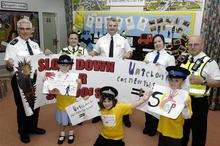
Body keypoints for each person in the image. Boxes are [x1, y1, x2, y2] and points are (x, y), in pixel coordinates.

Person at [4, 18, 46, 143]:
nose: (25, 31)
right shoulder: (13, 45)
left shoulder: (35, 44)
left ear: (31, 30)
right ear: (18, 30)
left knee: (35, 104)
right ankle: (23, 131)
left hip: (35, 79)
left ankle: (33, 127)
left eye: (27, 29)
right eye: (22, 29)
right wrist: (9, 64)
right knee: (22, 106)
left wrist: (46, 55)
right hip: (20, 80)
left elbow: (40, 61)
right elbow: (8, 64)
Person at [90, 18, 133, 127]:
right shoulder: (101, 40)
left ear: (117, 27)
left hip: (119, 72)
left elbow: (130, 52)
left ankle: (125, 116)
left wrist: (127, 55)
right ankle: (98, 114)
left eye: (114, 25)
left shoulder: (123, 40)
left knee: (121, 93)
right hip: (104, 71)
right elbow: (96, 51)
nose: (112, 27)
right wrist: (92, 53)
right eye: (110, 25)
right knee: (102, 92)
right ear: (107, 27)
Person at [181, 35, 220, 146]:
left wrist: (202, 81)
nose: (193, 47)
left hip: (199, 103)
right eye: (190, 44)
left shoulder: (210, 62)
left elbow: (218, 82)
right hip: (183, 100)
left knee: (198, 133)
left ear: (202, 45)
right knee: (183, 130)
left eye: (196, 44)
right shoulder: (185, 59)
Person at [143, 34, 175, 136]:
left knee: (156, 107)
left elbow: (172, 73)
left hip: (162, 86)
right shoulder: (149, 55)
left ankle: (154, 127)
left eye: (159, 41)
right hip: (148, 85)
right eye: (155, 42)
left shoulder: (169, 57)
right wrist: (144, 64)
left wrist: (160, 68)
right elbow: (142, 69)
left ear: (163, 42)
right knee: (147, 106)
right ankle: (147, 125)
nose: (157, 44)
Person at [48, 54, 81, 144]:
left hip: (71, 103)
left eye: (67, 65)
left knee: (71, 121)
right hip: (61, 104)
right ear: (59, 65)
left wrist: (79, 83)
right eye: (62, 65)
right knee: (63, 122)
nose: (65, 67)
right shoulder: (55, 76)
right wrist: (47, 82)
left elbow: (77, 89)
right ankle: (62, 134)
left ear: (70, 66)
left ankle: (71, 133)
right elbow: (51, 89)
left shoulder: (73, 76)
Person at [157, 65, 192, 146]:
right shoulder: (165, 92)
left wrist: (185, 107)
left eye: (176, 81)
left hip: (175, 132)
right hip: (162, 129)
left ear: (183, 82)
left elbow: (188, 116)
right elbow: (160, 106)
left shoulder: (185, 96)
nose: (173, 83)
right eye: (171, 80)